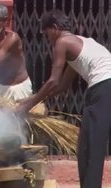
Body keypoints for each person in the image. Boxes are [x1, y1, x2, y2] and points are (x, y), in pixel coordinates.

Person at [17, 9, 111, 188]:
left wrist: (28, 104)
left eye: (47, 34)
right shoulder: (80, 44)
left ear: (55, 28)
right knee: (85, 147)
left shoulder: (62, 42)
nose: (48, 39)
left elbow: (53, 81)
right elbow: (62, 86)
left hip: (104, 87)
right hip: (103, 88)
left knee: (92, 147)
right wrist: (37, 99)